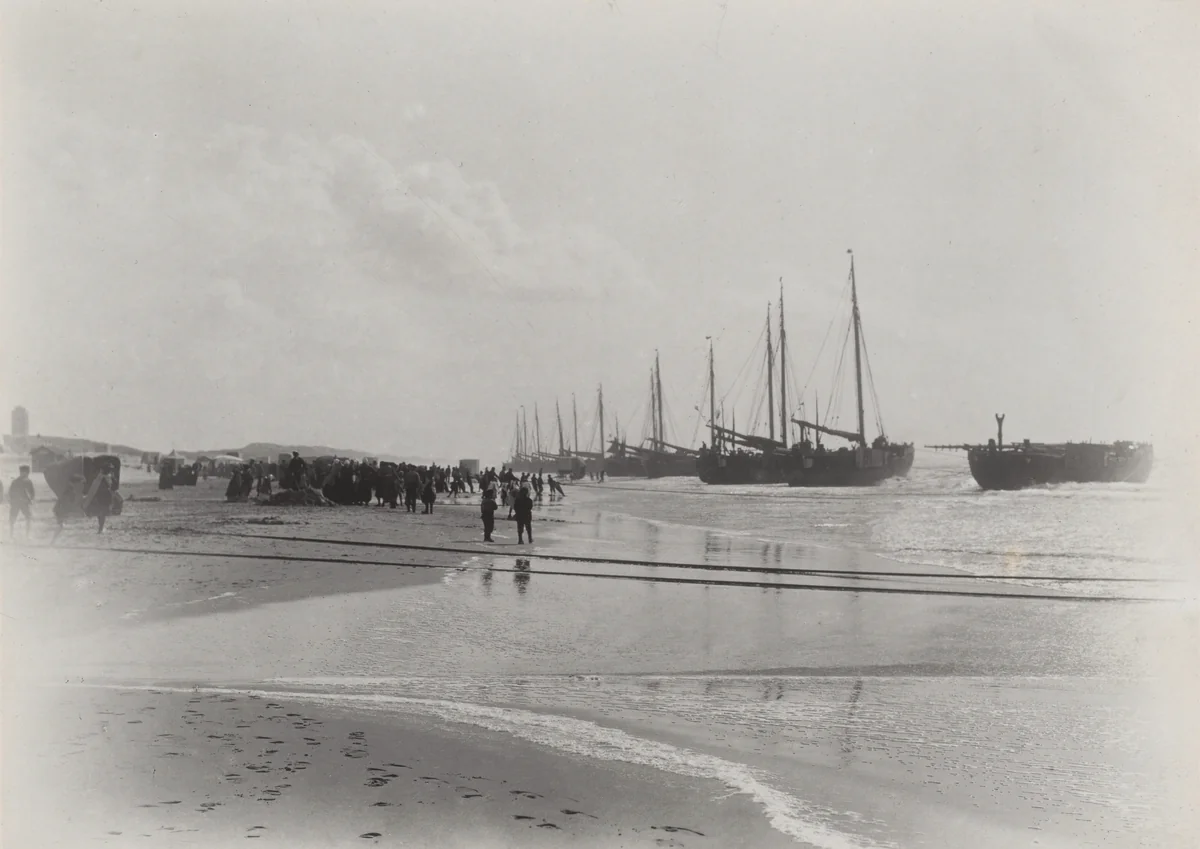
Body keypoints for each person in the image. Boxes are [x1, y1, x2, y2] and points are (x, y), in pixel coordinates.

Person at [52, 473, 86, 542]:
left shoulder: (70, 489)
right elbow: (66, 501)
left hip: (60, 509)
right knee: (61, 526)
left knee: (61, 525)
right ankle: (53, 541)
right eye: (81, 483)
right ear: (76, 483)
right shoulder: (70, 490)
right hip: (61, 510)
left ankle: (54, 540)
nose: (82, 485)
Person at [9, 465, 35, 537]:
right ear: (23, 472)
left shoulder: (27, 481)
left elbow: (32, 493)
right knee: (13, 519)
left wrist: (30, 499)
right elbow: (11, 493)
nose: (27, 474)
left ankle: (26, 535)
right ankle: (12, 535)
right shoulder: (19, 481)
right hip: (18, 503)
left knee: (28, 518)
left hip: (22, 503)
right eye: (26, 472)